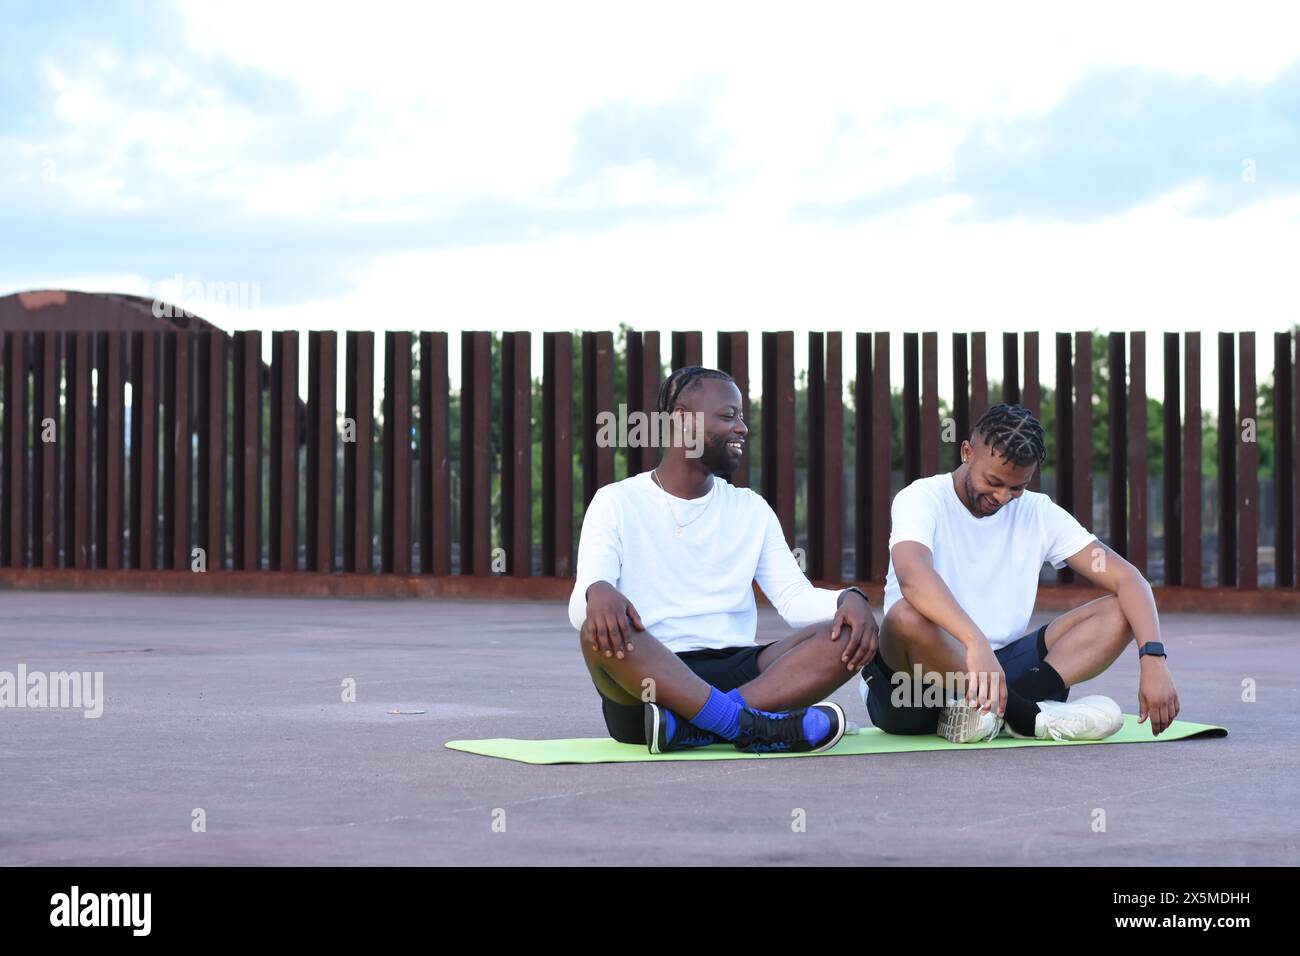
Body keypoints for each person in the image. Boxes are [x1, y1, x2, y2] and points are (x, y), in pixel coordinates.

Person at [569, 366, 879, 754]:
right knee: (596, 634)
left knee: (847, 634)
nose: (742, 428)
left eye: (742, 417)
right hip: (648, 679)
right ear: (682, 419)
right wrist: (598, 591)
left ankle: (699, 728)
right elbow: (584, 603)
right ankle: (748, 725)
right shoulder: (616, 501)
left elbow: (794, 598)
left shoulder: (751, 508)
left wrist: (845, 598)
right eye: (728, 416)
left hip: (734, 673)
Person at [863, 403, 1181, 743]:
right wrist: (974, 641)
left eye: (1016, 487)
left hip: (1005, 673)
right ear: (967, 452)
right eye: (993, 482)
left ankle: (985, 714)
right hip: (913, 690)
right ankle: (1027, 718)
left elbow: (1128, 579)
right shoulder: (921, 498)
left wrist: (1153, 659)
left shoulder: (1037, 513)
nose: (1002, 497)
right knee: (904, 617)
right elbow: (912, 576)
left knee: (1121, 611)